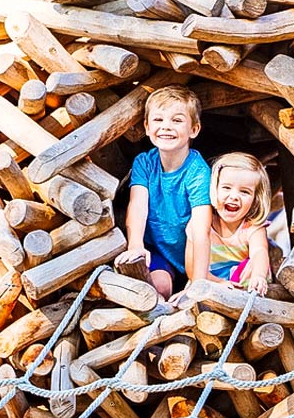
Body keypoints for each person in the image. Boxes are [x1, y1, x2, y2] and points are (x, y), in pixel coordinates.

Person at [116, 86, 212, 298]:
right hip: (159, 251)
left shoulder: (198, 172)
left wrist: (198, 281)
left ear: (194, 129)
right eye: (158, 120)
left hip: (191, 254)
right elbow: (138, 206)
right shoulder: (144, 163)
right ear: (147, 127)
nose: (166, 127)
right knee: (159, 287)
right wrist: (136, 246)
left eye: (177, 121)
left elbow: (201, 228)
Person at [200, 152, 271, 296]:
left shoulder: (252, 227)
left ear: (255, 200)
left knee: (252, 266)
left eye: (244, 192)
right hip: (211, 282)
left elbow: (259, 252)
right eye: (226, 188)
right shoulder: (203, 223)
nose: (234, 196)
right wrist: (218, 283)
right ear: (215, 189)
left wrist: (259, 275)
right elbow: (195, 268)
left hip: (242, 285)